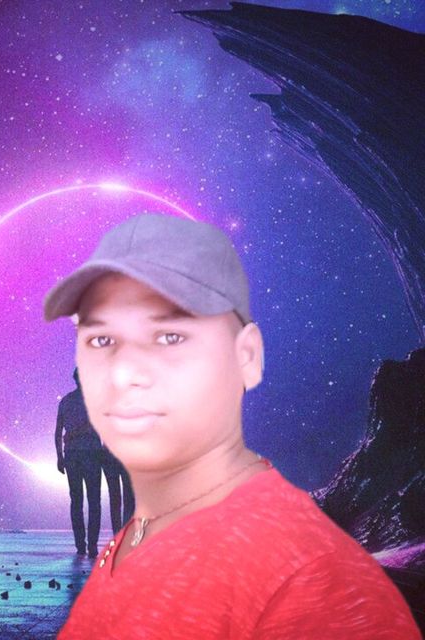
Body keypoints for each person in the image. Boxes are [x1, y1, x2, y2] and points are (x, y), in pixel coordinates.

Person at [44, 214, 421, 639]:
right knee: (94, 501)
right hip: (90, 456)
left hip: (102, 454)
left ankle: (108, 541)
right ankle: (97, 543)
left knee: (106, 501)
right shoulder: (87, 398)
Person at [55, 369, 102, 558]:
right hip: (91, 454)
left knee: (76, 501)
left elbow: (58, 431)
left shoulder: (66, 401)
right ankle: (92, 545)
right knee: (93, 500)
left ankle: (81, 545)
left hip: (72, 454)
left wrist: (60, 456)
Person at [100, 445, 134, 535]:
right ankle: (124, 533)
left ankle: (119, 532)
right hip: (125, 455)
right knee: (127, 498)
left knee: (116, 498)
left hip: (112, 455)